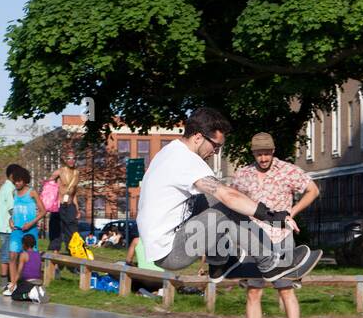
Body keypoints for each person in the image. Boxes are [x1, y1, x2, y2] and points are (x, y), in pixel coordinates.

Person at [136, 107, 322, 288]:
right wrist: (272, 216)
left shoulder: (170, 152)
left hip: (165, 244)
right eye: (215, 145)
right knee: (227, 206)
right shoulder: (185, 160)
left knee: (209, 198)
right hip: (171, 252)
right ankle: (270, 263)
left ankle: (218, 264)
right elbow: (229, 197)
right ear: (198, 137)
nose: (216, 152)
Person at [229, 132, 319, 318]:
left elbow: (313, 190)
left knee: (286, 289)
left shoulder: (288, 171)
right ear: (253, 153)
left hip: (281, 238)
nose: (263, 159)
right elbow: (231, 199)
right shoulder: (243, 175)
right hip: (253, 240)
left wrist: (292, 211)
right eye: (259, 154)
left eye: (267, 154)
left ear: (273, 151)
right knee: (253, 291)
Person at [2, 169, 45, 296]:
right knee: (12, 256)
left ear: (25, 180)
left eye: (19, 181)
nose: (17, 184)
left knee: (32, 257)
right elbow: (11, 211)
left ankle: (35, 284)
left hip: (30, 231)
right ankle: (13, 284)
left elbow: (43, 211)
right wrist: (10, 220)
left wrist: (31, 223)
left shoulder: (32, 193)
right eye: (15, 181)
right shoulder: (13, 193)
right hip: (17, 231)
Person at [47, 147, 81, 253]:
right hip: (59, 204)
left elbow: (74, 193)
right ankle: (55, 258)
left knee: (72, 231)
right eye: (69, 158)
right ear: (65, 160)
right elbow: (48, 187)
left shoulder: (77, 173)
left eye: (73, 158)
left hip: (70, 205)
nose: (71, 160)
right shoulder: (59, 172)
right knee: (56, 229)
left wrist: (77, 209)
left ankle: (72, 254)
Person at [0, 164, 20, 292]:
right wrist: (19, 221)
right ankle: (4, 282)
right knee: (6, 255)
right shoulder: (9, 189)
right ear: (11, 175)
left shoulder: (6, 187)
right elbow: (11, 208)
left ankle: (9, 280)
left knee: (9, 254)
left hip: (4, 227)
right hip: (7, 228)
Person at [10, 233, 45, 301]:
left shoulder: (24, 255)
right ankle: (37, 291)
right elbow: (39, 270)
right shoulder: (38, 254)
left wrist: (13, 284)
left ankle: (29, 295)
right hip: (39, 281)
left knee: (15, 295)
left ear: (24, 244)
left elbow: (19, 271)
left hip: (29, 282)